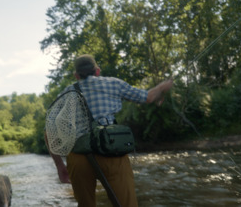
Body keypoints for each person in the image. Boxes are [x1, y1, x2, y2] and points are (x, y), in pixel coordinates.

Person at [45, 54, 173, 207]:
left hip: (78, 157)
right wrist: (163, 87)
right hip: (111, 150)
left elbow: (49, 132)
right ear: (97, 71)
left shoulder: (66, 94)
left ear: (77, 75)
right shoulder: (113, 84)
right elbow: (148, 97)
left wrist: (60, 166)